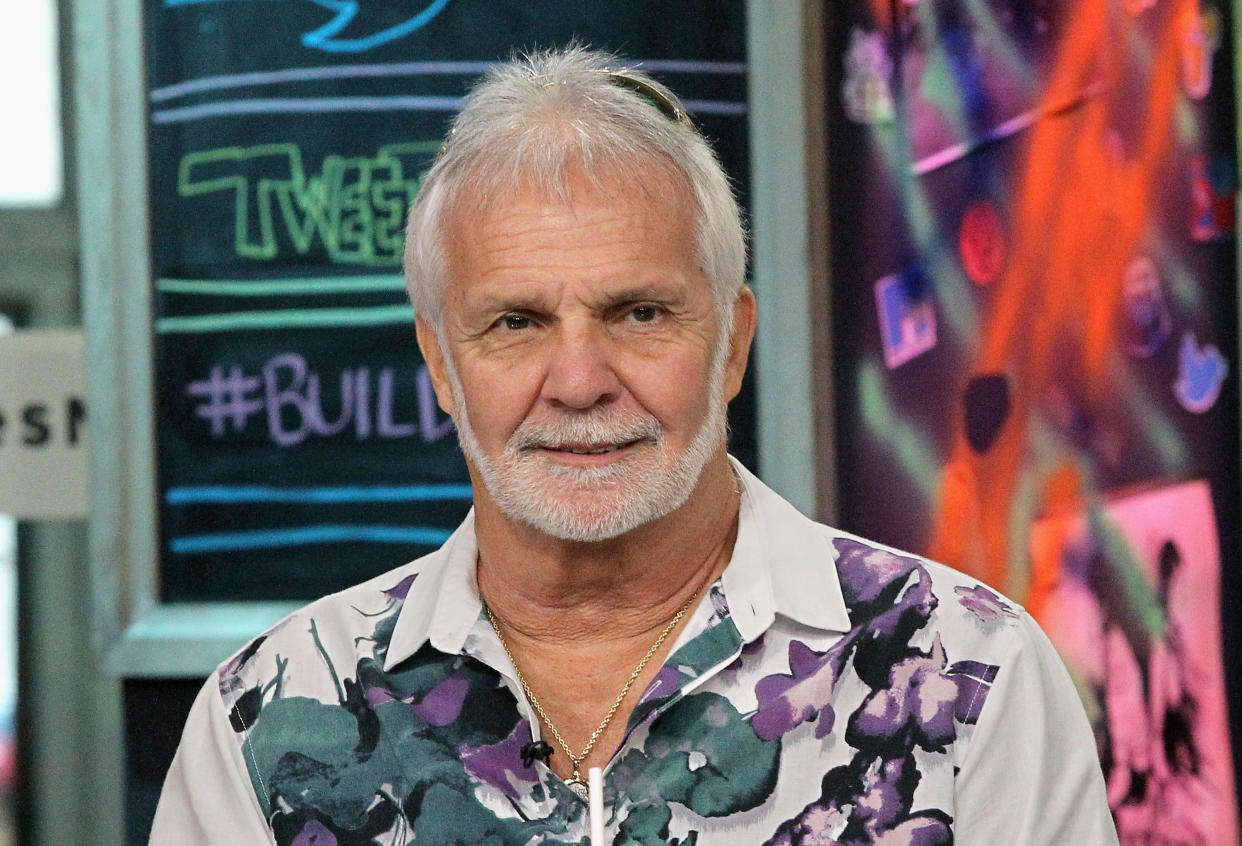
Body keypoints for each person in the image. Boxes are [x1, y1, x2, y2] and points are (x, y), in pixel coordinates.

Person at [150, 46, 1119, 845]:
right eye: (516, 323)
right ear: (442, 365)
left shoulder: (968, 675)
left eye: (640, 312)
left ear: (733, 343)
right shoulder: (272, 715)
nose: (579, 380)